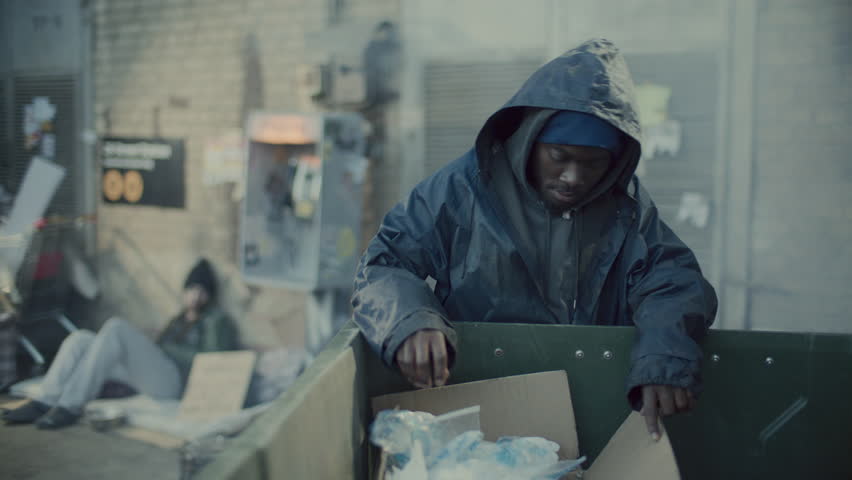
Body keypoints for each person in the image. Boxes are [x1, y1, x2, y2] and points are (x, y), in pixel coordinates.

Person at [351, 38, 718, 441]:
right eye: (559, 156)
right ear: (529, 140)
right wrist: (410, 320)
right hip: (474, 403)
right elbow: (386, 263)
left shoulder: (627, 210)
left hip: (591, 405)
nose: (574, 177)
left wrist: (663, 357)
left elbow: (673, 281)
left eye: (593, 163)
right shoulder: (461, 190)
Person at [2, 258, 239, 429]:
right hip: (154, 376)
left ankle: (69, 406)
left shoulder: (216, 320)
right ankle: (45, 400)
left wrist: (164, 348)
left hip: (175, 383)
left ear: (210, 295)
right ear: (185, 290)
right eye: (192, 289)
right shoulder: (178, 319)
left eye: (202, 291)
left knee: (116, 327)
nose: (196, 296)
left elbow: (212, 360)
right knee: (81, 338)